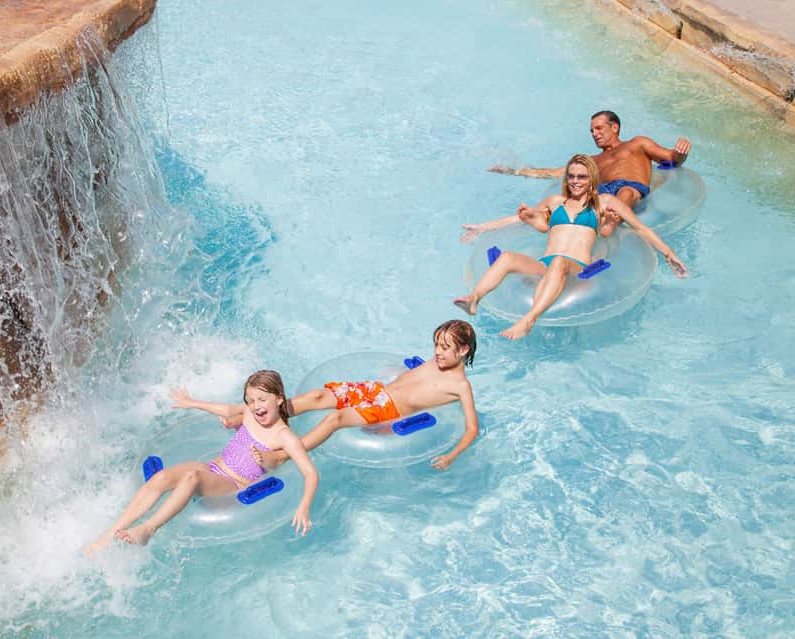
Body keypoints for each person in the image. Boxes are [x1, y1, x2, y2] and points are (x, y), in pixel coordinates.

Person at [454, 154, 688, 340]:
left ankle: (529, 319)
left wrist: (669, 254)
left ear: (592, 179)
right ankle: (474, 299)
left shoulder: (604, 203)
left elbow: (640, 228)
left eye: (582, 177)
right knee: (506, 258)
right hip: (545, 263)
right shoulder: (555, 202)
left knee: (559, 262)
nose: (575, 181)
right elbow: (515, 220)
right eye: (572, 176)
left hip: (576, 267)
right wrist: (482, 227)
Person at [85, 370, 318, 554]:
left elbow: (310, 473)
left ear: (278, 399)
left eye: (262, 399)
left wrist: (304, 506)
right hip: (213, 469)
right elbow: (226, 409)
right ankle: (107, 537)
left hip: (232, 485)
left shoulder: (284, 437)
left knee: (192, 477)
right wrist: (192, 402)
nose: (256, 406)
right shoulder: (248, 413)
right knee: (162, 477)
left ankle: (148, 529)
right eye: (251, 400)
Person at [214, 320, 481, 471]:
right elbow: (416, 378)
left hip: (388, 410)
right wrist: (398, 370)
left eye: (445, 347)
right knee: (319, 396)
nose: (437, 351)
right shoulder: (436, 361)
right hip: (377, 391)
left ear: (462, 350)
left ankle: (282, 456)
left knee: (335, 418)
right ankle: (255, 413)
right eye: (436, 344)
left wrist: (451, 456)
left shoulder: (460, 386)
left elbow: (471, 429)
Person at [482, 110, 691, 237]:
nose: (595, 134)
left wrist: (680, 152)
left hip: (629, 187)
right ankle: (491, 227)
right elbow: (554, 173)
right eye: (592, 131)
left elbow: (671, 158)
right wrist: (514, 171)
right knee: (560, 205)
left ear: (615, 127)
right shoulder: (592, 161)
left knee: (626, 192)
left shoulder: (637, 144)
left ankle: (609, 226)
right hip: (603, 193)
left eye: (599, 129)